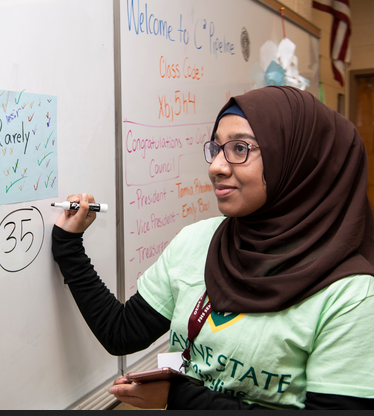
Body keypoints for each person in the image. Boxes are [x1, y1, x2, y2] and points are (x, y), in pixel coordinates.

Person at [52, 86, 374, 409]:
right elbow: (121, 331)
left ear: (299, 161)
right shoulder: (197, 242)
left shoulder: (352, 295)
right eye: (217, 148)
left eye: (240, 148)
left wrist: (177, 397)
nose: (216, 166)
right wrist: (68, 244)